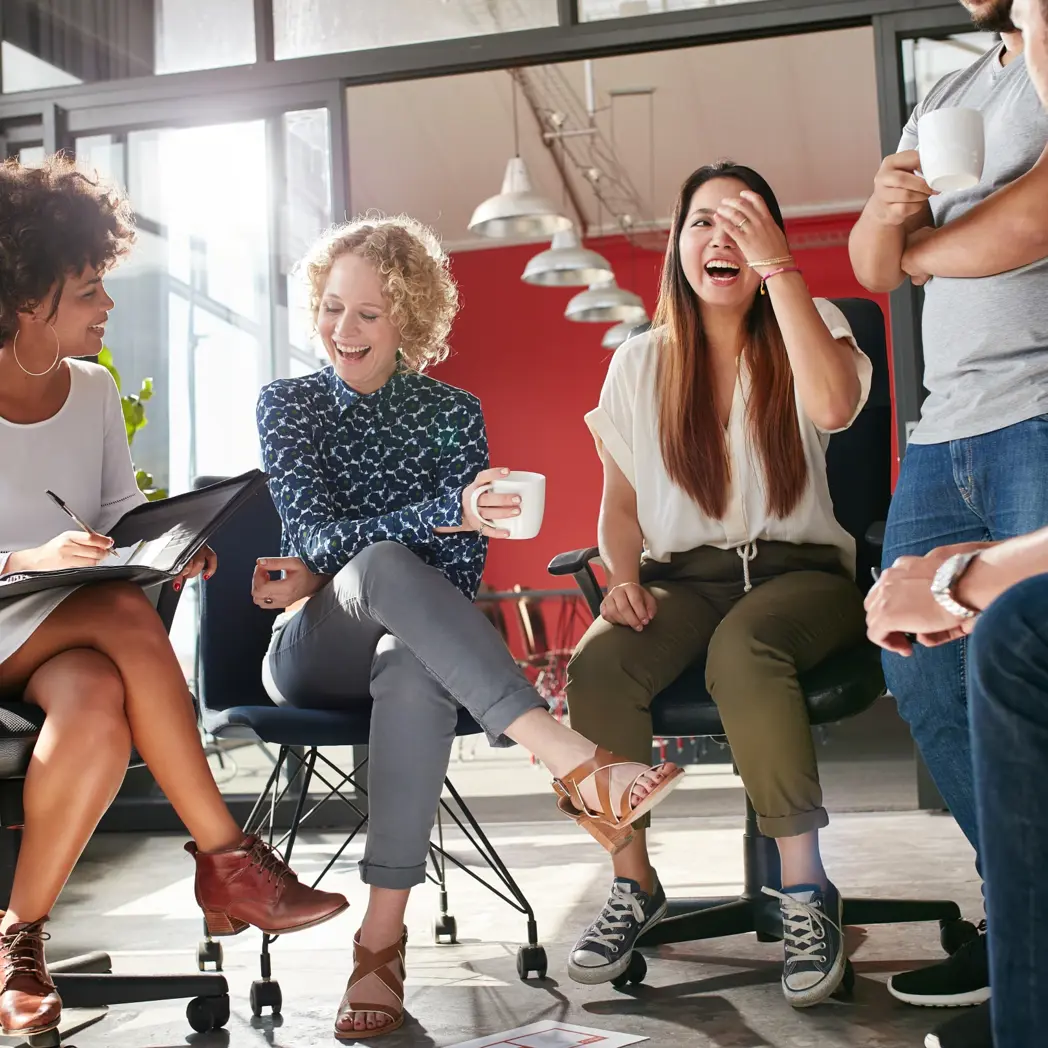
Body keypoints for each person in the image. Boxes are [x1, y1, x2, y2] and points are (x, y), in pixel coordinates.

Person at [252, 214, 683, 1040]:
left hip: (405, 649)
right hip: (310, 646)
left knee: (413, 667)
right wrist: (443, 513)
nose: (344, 330)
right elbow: (314, 541)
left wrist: (426, 533)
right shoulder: (289, 405)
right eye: (332, 308)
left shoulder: (454, 414)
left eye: (369, 313)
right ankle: (567, 755)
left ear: (408, 321)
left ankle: (379, 944)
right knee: (377, 563)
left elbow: (455, 583)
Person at [0, 155, 349, 1039]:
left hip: (62, 637)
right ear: (25, 298)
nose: (106, 306)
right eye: (87, 291)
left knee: (98, 710)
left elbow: (118, 518)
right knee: (119, 618)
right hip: (9, 607)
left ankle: (18, 942)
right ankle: (228, 859)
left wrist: (166, 553)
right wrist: (29, 556)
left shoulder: (93, 390)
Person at [563, 162, 872, 1008]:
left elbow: (839, 408)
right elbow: (618, 506)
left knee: (746, 651)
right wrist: (622, 580)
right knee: (594, 667)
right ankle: (632, 883)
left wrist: (784, 278)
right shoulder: (636, 365)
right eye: (702, 222)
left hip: (799, 576)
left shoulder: (818, 326)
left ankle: (806, 892)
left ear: (770, 238)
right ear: (677, 247)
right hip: (682, 582)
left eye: (742, 222)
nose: (719, 239)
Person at [848, 0, 1048, 1021]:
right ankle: (1022, 915)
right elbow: (871, 270)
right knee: (916, 666)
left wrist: (927, 251)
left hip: (1039, 406)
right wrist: (891, 214)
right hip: (941, 432)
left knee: (1024, 655)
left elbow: (1035, 218)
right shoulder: (951, 89)